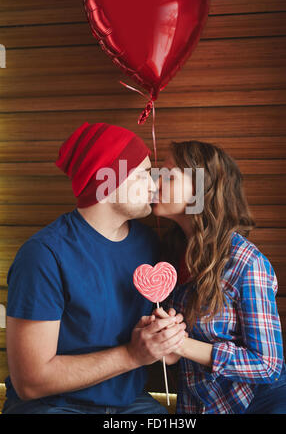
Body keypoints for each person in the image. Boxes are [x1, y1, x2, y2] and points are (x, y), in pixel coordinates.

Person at [2, 122, 187, 415]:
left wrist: (164, 339)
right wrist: (132, 355)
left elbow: (155, 342)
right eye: (142, 175)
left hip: (129, 404)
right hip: (52, 406)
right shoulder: (43, 256)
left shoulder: (149, 245)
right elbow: (30, 382)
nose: (154, 186)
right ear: (107, 182)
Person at [151, 140, 286, 414]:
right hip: (205, 406)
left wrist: (182, 345)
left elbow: (267, 364)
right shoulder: (166, 258)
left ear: (201, 189)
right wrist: (167, 348)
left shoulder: (245, 262)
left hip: (263, 401)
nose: (155, 183)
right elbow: (177, 357)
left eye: (168, 176)